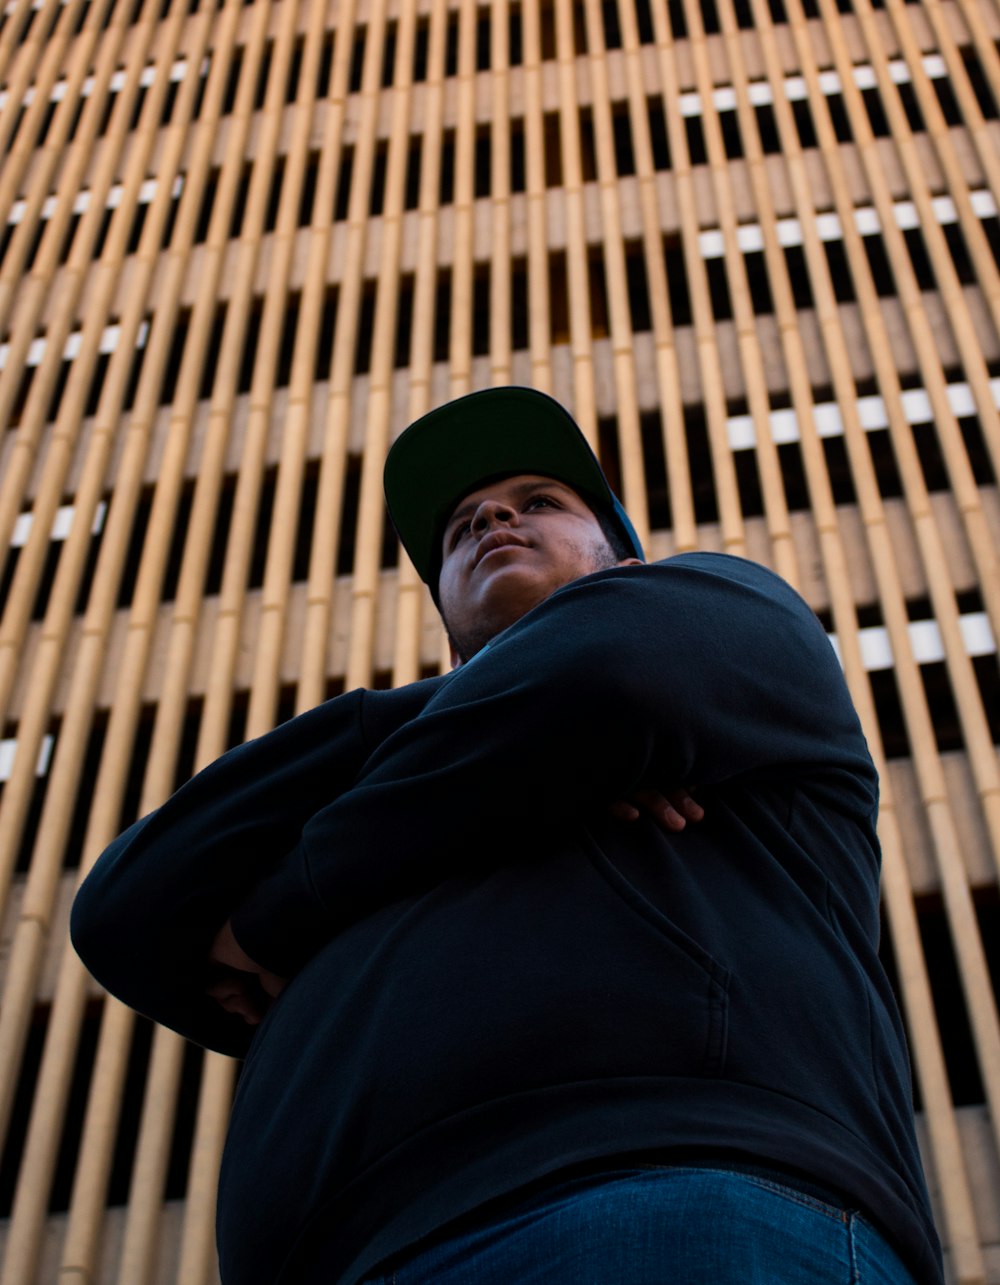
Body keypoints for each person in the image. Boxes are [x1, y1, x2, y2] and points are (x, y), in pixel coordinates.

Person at [71, 386, 943, 1285]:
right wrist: (486, 729)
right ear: (450, 631)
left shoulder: (720, 609)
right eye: (462, 528)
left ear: (620, 561)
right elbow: (119, 908)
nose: (491, 515)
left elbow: (613, 675)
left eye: (540, 502)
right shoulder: (438, 748)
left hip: (665, 1193)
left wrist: (278, 909)